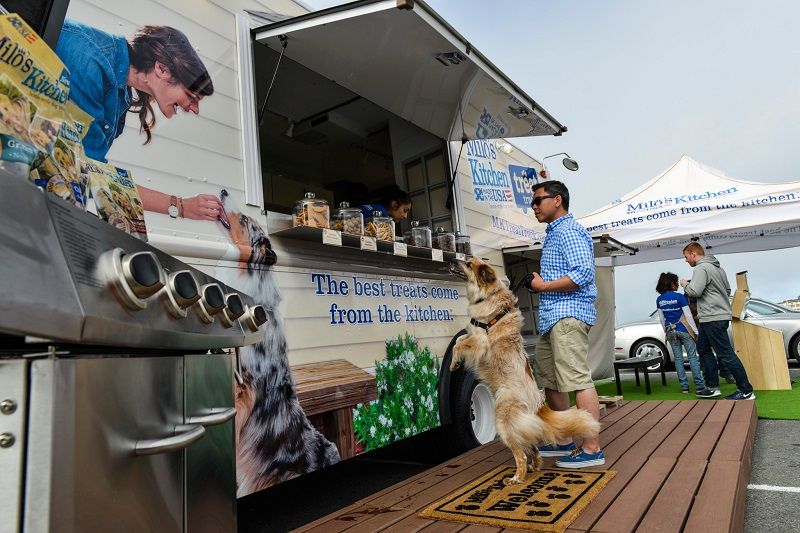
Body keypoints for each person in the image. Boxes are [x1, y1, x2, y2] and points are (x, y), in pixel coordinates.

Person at [55, 20, 223, 221]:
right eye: (191, 97)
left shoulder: (120, 91)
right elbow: (83, 170)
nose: (193, 109)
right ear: (161, 69)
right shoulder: (90, 62)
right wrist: (179, 205)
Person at [523, 180, 604, 468]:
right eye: (532, 202)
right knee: (551, 380)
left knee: (577, 379)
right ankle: (564, 439)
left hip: (568, 314)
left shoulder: (569, 230)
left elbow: (583, 273)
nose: (533, 206)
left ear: (557, 200)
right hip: (553, 317)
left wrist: (543, 286)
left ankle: (592, 448)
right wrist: (542, 285)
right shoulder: (555, 233)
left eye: (538, 200)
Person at [679, 243, 755, 400]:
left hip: (712, 317)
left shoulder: (701, 268)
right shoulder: (719, 269)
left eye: (686, 257)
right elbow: (726, 291)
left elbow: (694, 291)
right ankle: (712, 387)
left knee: (726, 354)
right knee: (704, 349)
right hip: (714, 316)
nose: (685, 260)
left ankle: (746, 391)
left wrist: (686, 284)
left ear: (693, 254)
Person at [655, 272, 708, 395]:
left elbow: (661, 319)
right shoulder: (680, 297)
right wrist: (695, 331)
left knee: (678, 359)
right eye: (676, 282)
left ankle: (684, 387)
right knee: (692, 358)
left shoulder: (659, 299)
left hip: (670, 331)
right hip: (684, 330)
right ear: (672, 284)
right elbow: (688, 316)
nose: (678, 285)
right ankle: (699, 386)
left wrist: (666, 330)